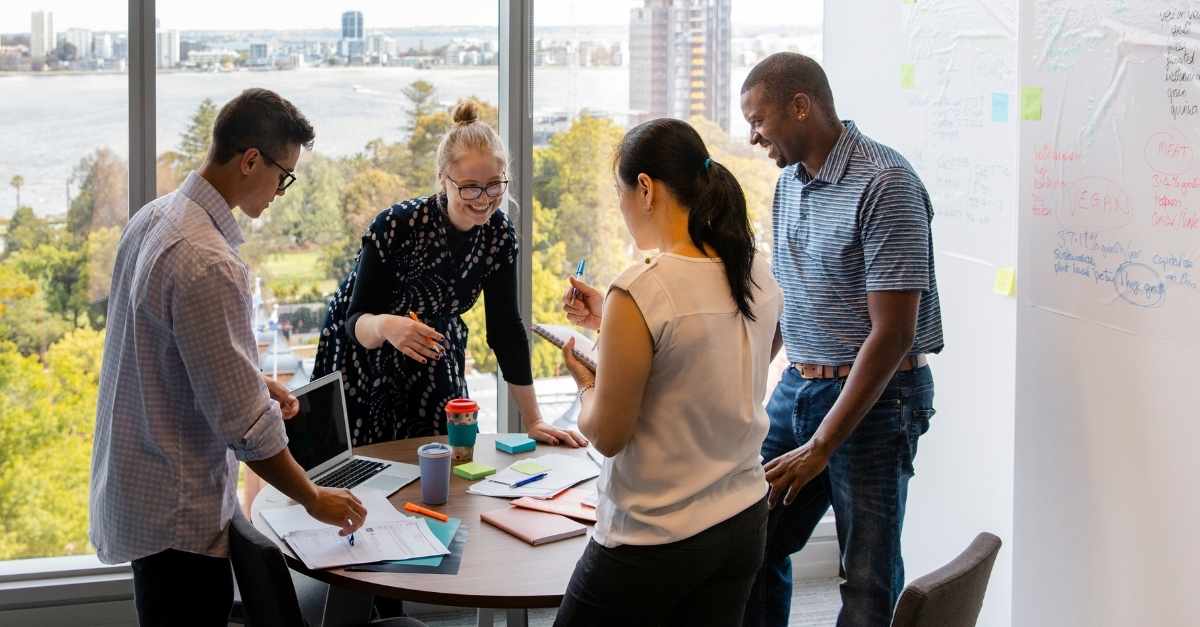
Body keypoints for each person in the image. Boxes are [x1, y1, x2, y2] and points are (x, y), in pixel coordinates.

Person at [89, 88, 367, 626]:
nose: (281, 191)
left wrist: (252, 380)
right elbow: (245, 428)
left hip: (140, 491)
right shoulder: (208, 261)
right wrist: (313, 498)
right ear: (249, 161)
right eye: (283, 176)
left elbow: (169, 353)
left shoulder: (155, 218)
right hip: (180, 512)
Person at [738, 53, 944, 627]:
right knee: (750, 544)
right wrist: (746, 382)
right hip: (799, 388)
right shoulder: (788, 185)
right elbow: (789, 297)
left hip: (881, 402)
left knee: (867, 579)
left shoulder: (886, 183)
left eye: (759, 121)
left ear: (800, 106)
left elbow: (894, 333)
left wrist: (824, 444)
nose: (753, 137)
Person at [553, 117, 783, 627]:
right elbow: (712, 361)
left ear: (645, 188)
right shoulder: (755, 270)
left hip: (654, 537)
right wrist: (610, 326)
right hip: (741, 520)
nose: (620, 207)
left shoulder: (642, 288)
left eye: (621, 192)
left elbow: (609, 435)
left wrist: (588, 382)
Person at [312, 101, 585, 448]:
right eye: (470, 187)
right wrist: (386, 325)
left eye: (494, 185)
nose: (484, 199)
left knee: (446, 455)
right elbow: (355, 320)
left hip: (433, 348)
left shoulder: (499, 235)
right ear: (444, 178)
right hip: (365, 353)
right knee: (372, 468)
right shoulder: (395, 225)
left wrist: (534, 420)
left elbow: (505, 330)